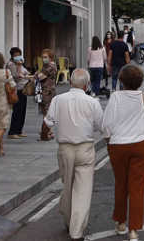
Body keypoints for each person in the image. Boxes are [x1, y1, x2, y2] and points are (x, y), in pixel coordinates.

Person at [102, 65, 144, 241]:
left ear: (121, 80)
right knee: (137, 188)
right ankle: (133, 230)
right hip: (140, 144)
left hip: (118, 145)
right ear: (140, 81)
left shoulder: (115, 97)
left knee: (120, 184)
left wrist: (108, 141)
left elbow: (106, 125)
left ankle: (120, 222)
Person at [45, 69, 104, 241]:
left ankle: (68, 218)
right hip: (85, 148)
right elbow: (101, 126)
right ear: (86, 85)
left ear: (71, 82)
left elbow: (48, 121)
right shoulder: (92, 102)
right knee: (82, 190)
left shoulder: (58, 99)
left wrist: (44, 134)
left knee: (67, 186)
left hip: (64, 149)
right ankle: (76, 231)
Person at [6, 47, 31, 139]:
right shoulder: (11, 65)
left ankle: (19, 130)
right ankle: (13, 131)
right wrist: (20, 67)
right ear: (12, 56)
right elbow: (16, 76)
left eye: (19, 55)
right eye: (15, 55)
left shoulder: (20, 62)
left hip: (23, 88)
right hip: (16, 89)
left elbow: (25, 73)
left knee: (22, 110)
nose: (17, 57)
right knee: (17, 110)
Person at [36, 49, 58, 141]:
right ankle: (49, 131)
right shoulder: (48, 65)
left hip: (47, 91)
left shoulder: (49, 66)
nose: (43, 59)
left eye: (46, 57)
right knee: (47, 111)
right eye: (43, 57)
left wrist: (30, 77)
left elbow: (39, 76)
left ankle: (46, 132)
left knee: (46, 111)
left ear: (51, 58)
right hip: (47, 90)